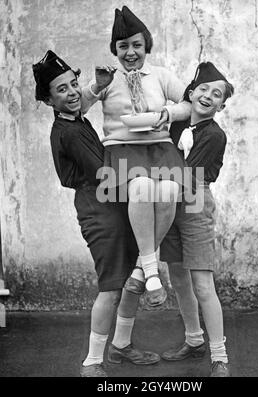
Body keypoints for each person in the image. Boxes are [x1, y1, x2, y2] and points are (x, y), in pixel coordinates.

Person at [32, 50, 160, 378]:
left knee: (133, 277)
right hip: (99, 211)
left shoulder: (77, 121)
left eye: (73, 84)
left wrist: (96, 86)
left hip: (112, 205)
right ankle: (92, 362)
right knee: (111, 286)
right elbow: (106, 172)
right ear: (48, 100)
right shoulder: (68, 133)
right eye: (62, 89)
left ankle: (121, 346)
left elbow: (104, 161)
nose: (73, 92)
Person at [81, 5, 191, 308]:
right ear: (115, 49)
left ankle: (143, 268)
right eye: (123, 46)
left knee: (168, 190)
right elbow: (77, 108)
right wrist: (95, 87)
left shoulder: (160, 75)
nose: (130, 52)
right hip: (122, 150)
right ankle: (154, 272)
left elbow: (190, 104)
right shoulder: (108, 78)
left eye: (136, 45)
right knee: (141, 188)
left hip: (160, 147)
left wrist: (168, 112)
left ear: (146, 46)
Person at [160, 61, 234, 377]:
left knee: (202, 283)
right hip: (168, 200)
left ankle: (220, 357)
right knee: (178, 277)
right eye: (203, 89)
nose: (208, 96)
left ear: (222, 104)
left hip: (193, 200)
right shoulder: (176, 125)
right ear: (192, 93)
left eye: (216, 94)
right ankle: (194, 340)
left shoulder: (214, 135)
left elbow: (188, 176)